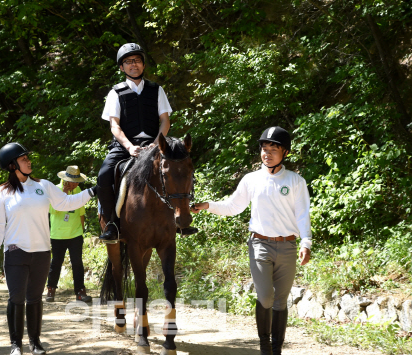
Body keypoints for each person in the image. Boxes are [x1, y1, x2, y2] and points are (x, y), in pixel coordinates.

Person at [192, 127, 312, 355]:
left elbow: (302, 214)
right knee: (266, 296)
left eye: (273, 149)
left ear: (285, 152)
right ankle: (265, 347)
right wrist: (209, 205)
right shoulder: (251, 179)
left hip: (287, 246)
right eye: (264, 149)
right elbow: (233, 207)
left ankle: (276, 350)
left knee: (281, 300)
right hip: (260, 245)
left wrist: (306, 242)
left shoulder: (296, 181)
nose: (267, 153)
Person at [0, 143, 97, 355]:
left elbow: (66, 203)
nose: (29, 161)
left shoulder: (44, 186)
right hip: (15, 252)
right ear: (12, 166)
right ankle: (15, 345)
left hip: (41, 253)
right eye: (23, 159)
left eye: (28, 158)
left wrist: (93, 191)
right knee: (16, 299)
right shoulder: (1, 193)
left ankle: (35, 343)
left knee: (35, 298)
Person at [97, 43, 197, 242]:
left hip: (155, 145)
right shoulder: (115, 93)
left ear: (143, 64)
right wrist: (129, 146)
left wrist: (155, 144)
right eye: (128, 61)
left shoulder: (156, 90)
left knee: (181, 167)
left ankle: (181, 219)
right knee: (104, 175)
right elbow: (114, 125)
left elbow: (165, 120)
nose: (133, 64)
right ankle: (112, 225)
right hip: (126, 145)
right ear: (121, 67)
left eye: (137, 60)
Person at [46, 166, 92, 303]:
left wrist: (81, 232)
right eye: (75, 181)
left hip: (75, 233)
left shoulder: (78, 190)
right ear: (66, 180)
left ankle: (80, 292)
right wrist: (63, 194)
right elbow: (52, 211)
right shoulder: (54, 190)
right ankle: (51, 290)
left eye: (78, 181)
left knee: (77, 263)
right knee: (56, 263)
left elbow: (81, 213)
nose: (77, 184)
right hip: (58, 234)